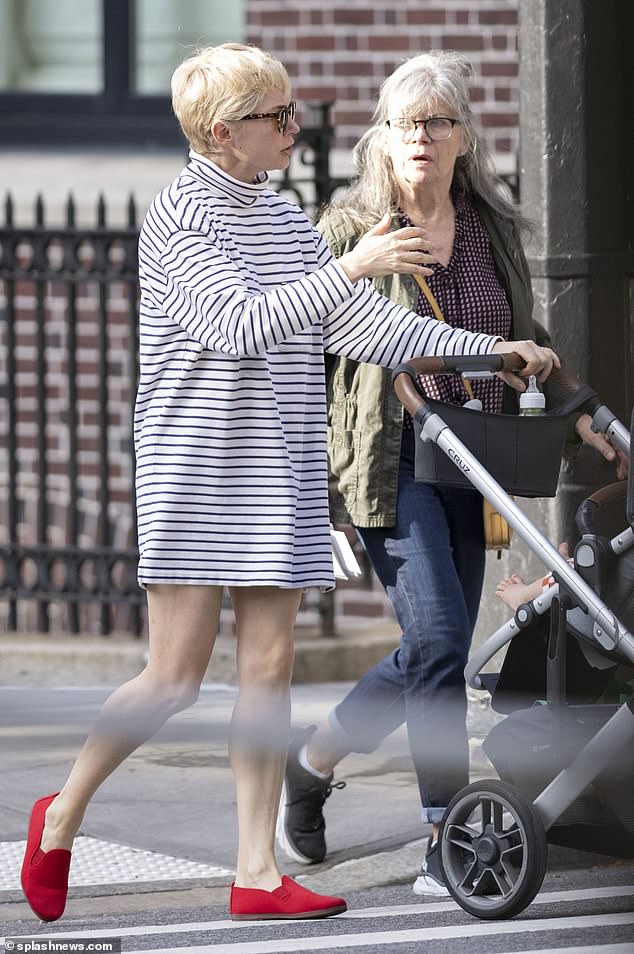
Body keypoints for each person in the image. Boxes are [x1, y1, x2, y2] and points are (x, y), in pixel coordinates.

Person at [18, 43, 557, 925]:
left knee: (269, 672)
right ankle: (63, 814)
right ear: (223, 132)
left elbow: (358, 325)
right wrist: (349, 266)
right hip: (197, 470)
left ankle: (256, 870)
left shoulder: (279, 216)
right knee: (175, 679)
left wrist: (486, 349)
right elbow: (239, 324)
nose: (292, 128)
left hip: (278, 465)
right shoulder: (178, 218)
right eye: (277, 117)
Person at [276, 49, 622, 897]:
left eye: (437, 121)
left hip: (476, 454)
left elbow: (520, 334)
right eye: (404, 122)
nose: (421, 137)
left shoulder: (489, 230)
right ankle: (447, 834)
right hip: (392, 457)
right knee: (436, 644)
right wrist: (309, 493)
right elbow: (299, 358)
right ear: (382, 138)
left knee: (434, 652)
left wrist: (578, 406)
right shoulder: (351, 233)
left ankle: (312, 761)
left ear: (464, 135)